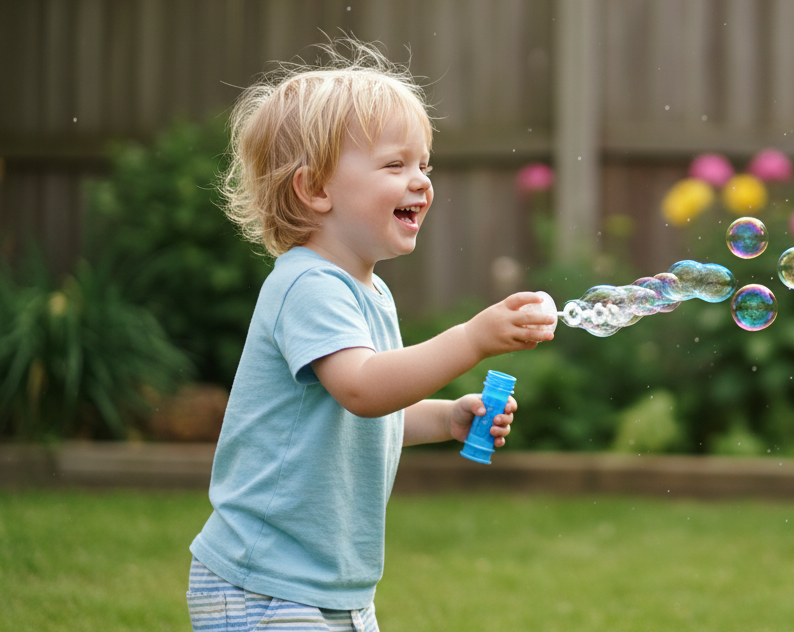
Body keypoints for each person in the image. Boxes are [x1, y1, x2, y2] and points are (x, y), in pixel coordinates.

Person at [186, 41, 555, 631]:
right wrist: (472, 338)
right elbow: (362, 390)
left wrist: (445, 419)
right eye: (395, 166)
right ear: (315, 190)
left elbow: (359, 419)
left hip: (331, 581)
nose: (422, 182)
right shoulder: (308, 285)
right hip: (267, 583)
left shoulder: (368, 294)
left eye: (424, 165)